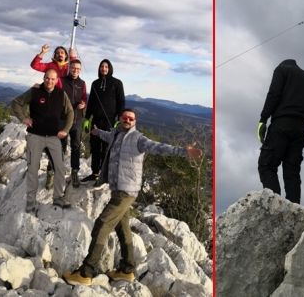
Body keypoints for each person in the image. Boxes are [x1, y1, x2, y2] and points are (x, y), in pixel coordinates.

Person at [62, 108, 204, 285]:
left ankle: (85, 273)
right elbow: (107, 135)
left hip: (126, 192)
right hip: (117, 189)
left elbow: (159, 147)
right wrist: (96, 132)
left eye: (131, 118)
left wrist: (184, 151)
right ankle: (127, 270)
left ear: (135, 122)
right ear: (120, 119)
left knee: (101, 225)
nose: (127, 120)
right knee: (123, 229)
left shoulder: (138, 139)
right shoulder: (116, 134)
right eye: (125, 117)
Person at [257, 59, 304, 204]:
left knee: (267, 165)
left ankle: (276, 208)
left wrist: (263, 119)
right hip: (301, 131)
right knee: (292, 172)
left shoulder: (282, 71)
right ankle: (294, 212)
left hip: (281, 124)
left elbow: (273, 95)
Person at [12, 68, 75, 212]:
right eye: (47, 78)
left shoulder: (61, 94)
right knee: (33, 169)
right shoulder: (35, 91)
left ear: (56, 80)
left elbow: (70, 112)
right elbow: (16, 102)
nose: (49, 81)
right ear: (44, 77)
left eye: (53, 79)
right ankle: (30, 202)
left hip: (53, 137)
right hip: (35, 136)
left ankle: (58, 197)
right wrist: (23, 118)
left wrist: (65, 130)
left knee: (60, 168)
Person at [82, 59, 124, 182]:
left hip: (110, 121)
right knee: (95, 147)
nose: (104, 69)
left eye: (106, 67)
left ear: (110, 68)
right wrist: (87, 118)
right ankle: (94, 173)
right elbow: (91, 102)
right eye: (102, 66)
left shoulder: (117, 83)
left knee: (107, 148)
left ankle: (105, 175)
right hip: (96, 120)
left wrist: (119, 119)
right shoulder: (95, 83)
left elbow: (121, 102)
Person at [60, 59, 88, 188]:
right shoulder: (61, 80)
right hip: (63, 120)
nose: (75, 70)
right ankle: (53, 171)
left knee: (76, 147)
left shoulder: (82, 83)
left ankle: (75, 172)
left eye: (78, 69)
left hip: (77, 119)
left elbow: (84, 99)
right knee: (60, 146)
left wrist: (83, 104)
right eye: (73, 68)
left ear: (80, 70)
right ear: (69, 68)